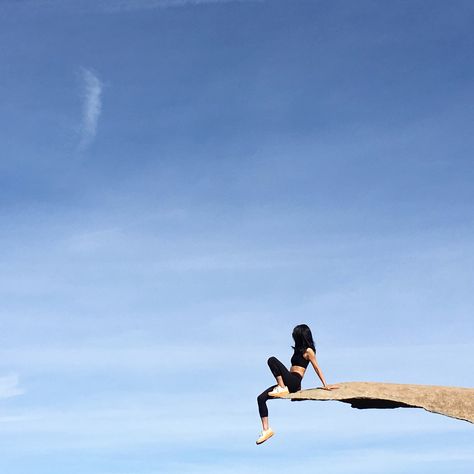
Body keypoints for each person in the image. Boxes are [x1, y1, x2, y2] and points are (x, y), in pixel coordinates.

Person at [256, 324, 338, 445]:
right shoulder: (298, 349)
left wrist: (325, 384)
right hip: (289, 381)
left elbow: (316, 367)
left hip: (294, 381)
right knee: (261, 398)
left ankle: (281, 387)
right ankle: (266, 430)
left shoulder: (309, 351)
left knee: (272, 360)